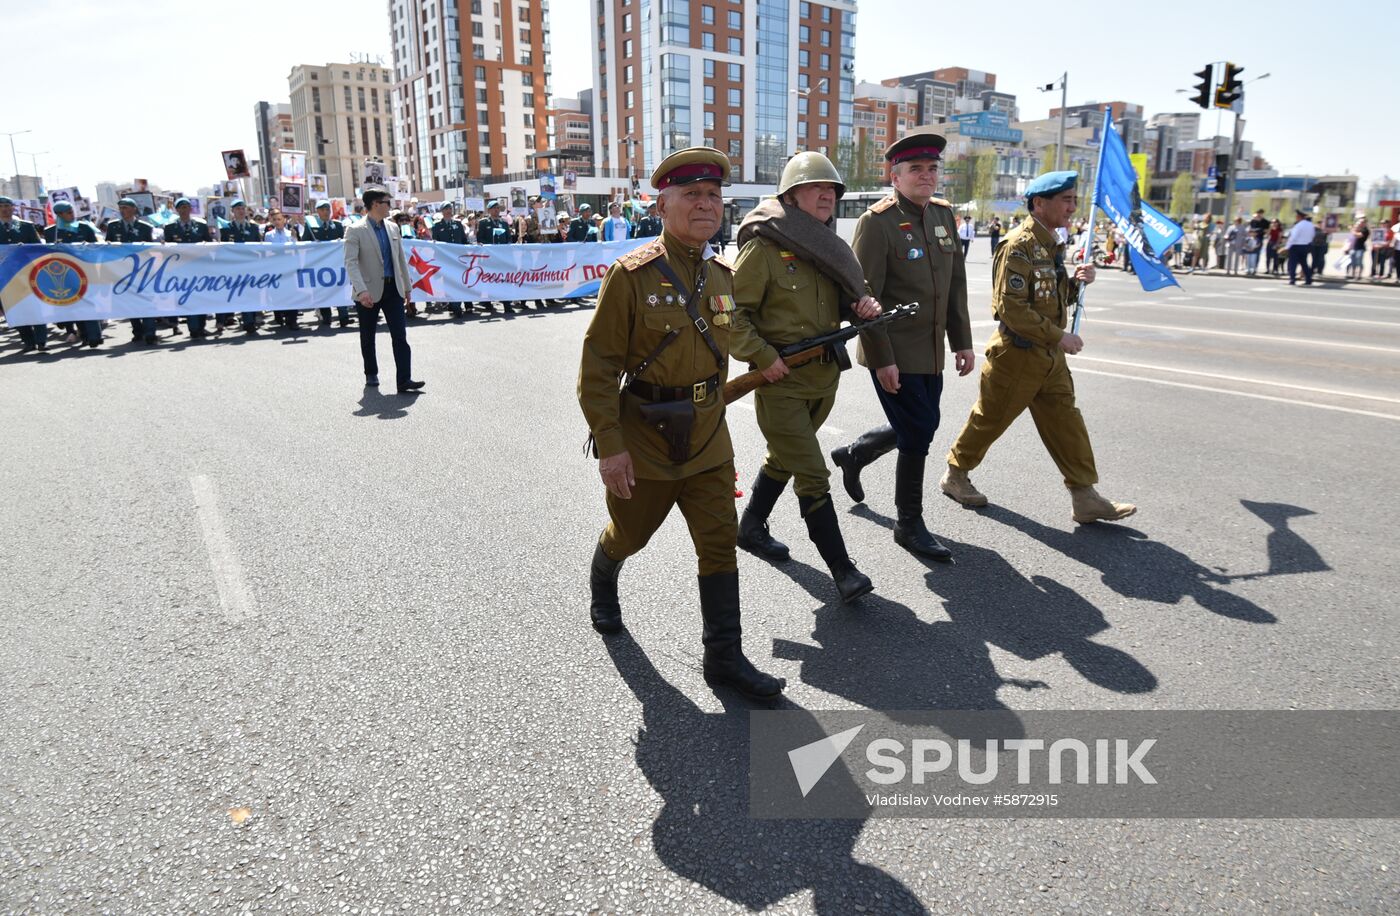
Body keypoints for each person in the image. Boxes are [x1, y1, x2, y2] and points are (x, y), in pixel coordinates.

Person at [577, 146, 783, 703]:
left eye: (713, 195)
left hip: (708, 437)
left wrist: (763, 369)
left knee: (718, 544)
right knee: (631, 534)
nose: (705, 204)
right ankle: (604, 578)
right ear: (662, 205)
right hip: (643, 436)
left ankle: (724, 658)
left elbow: (720, 359)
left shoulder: (722, 275)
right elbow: (597, 369)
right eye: (691, 195)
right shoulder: (631, 276)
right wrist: (611, 448)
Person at [940, 171, 1136, 524]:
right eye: (1066, 200)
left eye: (1075, 199)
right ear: (1039, 204)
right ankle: (956, 474)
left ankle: (1084, 494)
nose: (1073, 207)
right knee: (991, 419)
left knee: (1066, 421)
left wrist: (1077, 284)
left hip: (1048, 356)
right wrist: (1059, 336)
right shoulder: (1019, 245)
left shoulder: (1051, 245)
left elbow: (1052, 300)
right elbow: (1011, 307)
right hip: (1017, 354)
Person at [729, 151, 882, 602]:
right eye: (816, 187)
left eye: (832, 189)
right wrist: (760, 357)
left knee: (784, 458)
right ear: (791, 196)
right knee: (812, 473)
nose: (827, 195)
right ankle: (843, 570)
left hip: (823, 376)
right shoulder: (763, 247)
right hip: (780, 382)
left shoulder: (827, 249)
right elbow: (731, 316)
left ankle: (751, 526)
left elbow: (836, 303)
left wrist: (861, 306)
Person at [827, 132, 973, 561]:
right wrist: (882, 359)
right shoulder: (878, 222)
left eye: (932, 169)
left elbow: (956, 287)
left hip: (931, 350)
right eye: (915, 170)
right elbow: (862, 293)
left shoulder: (945, 216)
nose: (926, 176)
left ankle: (855, 454)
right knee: (919, 434)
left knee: (921, 425)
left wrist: (961, 341)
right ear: (895, 176)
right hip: (894, 347)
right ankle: (909, 524)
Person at [344, 189, 423, 395]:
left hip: (393, 289)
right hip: (367, 292)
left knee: (400, 335)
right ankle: (371, 373)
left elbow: (400, 260)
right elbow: (350, 263)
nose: (390, 205)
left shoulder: (393, 227)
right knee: (368, 336)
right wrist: (361, 291)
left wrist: (407, 288)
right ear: (375, 204)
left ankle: (404, 380)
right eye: (387, 202)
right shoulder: (355, 230)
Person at [44, 201, 104, 348]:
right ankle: (83, 334)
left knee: (89, 304)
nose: (72, 214)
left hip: (86, 272)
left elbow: (95, 249)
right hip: (64, 275)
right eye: (68, 212)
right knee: (74, 305)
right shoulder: (51, 232)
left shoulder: (84, 228)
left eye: (72, 211)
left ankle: (95, 336)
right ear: (59, 215)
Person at [104, 197, 159, 344]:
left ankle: (150, 333)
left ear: (134, 209)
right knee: (129, 301)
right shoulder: (113, 227)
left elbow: (152, 249)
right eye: (121, 208)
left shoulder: (145, 227)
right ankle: (137, 331)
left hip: (142, 270)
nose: (122, 211)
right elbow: (107, 248)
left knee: (146, 301)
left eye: (126, 208)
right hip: (122, 271)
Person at [0, 194, 48, 351]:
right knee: (13, 307)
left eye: (7, 206)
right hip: (5, 276)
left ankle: (41, 340)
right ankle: (28, 340)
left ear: (13, 207)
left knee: (35, 304)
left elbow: (37, 249)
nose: (5, 210)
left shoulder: (26, 226)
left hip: (27, 272)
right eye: (1, 207)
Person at [162, 198, 215, 336]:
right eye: (181, 207)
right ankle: (193, 328)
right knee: (186, 297)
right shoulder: (170, 227)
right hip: (180, 269)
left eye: (186, 207)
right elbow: (167, 250)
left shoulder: (201, 225)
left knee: (200, 297)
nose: (184, 210)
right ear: (177, 210)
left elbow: (208, 245)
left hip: (199, 267)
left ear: (190, 209)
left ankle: (201, 326)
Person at [304, 200, 352, 327]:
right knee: (322, 289)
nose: (325, 212)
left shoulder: (337, 225)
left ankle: (343, 316)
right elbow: (304, 243)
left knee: (340, 288)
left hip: (335, 264)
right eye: (322, 210)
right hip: (319, 265)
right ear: (317, 212)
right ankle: (326, 316)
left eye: (327, 210)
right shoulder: (310, 226)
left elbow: (344, 242)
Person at [220, 199, 264, 332]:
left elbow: (259, 247)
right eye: (237, 209)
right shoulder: (227, 229)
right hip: (235, 267)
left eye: (242, 208)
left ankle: (250, 320)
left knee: (251, 293)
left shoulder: (253, 227)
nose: (240, 211)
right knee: (241, 293)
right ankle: (247, 320)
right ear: (232, 211)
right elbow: (224, 249)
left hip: (251, 266)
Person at [474, 199, 515, 312]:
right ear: (489, 210)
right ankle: (488, 304)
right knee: (488, 281)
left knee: (504, 280)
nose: (496, 210)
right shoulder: (483, 223)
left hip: (502, 258)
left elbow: (508, 238)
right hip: (489, 257)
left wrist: (508, 246)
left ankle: (507, 305)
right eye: (494, 208)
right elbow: (480, 239)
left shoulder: (504, 223)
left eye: (498, 208)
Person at [430, 202, 468, 317]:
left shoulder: (458, 224)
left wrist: (475, 245)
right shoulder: (437, 225)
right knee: (448, 283)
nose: (448, 211)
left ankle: (456, 306)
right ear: (442, 211)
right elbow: (435, 243)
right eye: (446, 209)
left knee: (458, 282)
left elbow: (464, 241)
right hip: (444, 259)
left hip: (458, 258)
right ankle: (452, 304)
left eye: (450, 208)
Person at [1286, 208, 1317, 286]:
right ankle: (1308, 279)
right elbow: (1313, 235)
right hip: (1306, 246)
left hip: (1296, 246)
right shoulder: (1310, 225)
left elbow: (1293, 237)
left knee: (1293, 263)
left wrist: (1287, 247)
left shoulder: (1298, 225)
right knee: (1304, 263)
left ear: (1299, 217)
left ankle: (1292, 279)